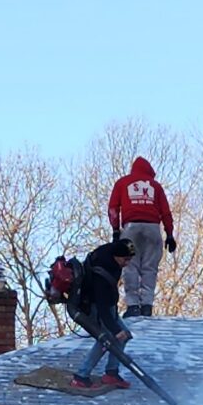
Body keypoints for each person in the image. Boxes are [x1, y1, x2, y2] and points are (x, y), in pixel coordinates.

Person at [107, 157, 177, 317]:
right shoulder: (156, 186)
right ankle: (147, 305)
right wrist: (170, 234)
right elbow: (166, 212)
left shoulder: (122, 183)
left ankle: (133, 306)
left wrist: (116, 231)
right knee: (149, 268)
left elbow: (113, 208)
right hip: (152, 230)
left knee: (130, 265)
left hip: (131, 229)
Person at [68, 233, 134, 389]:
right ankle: (81, 376)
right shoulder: (102, 274)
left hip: (107, 306)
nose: (127, 263)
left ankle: (111, 374)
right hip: (96, 307)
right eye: (125, 259)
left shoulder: (112, 255)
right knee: (106, 340)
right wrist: (115, 329)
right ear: (117, 257)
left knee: (123, 337)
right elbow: (102, 308)